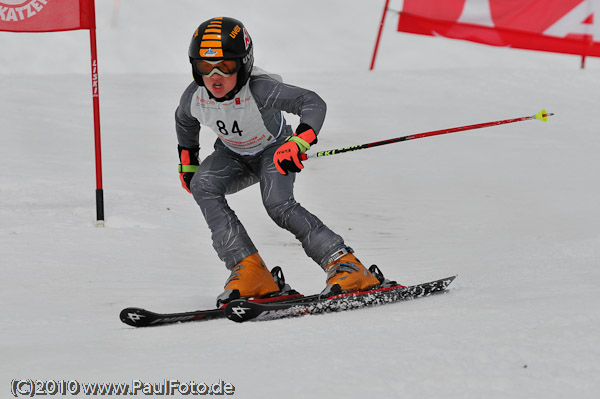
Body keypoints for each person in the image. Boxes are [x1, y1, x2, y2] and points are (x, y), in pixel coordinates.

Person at [175, 17, 380, 305]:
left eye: (226, 66)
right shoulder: (194, 98)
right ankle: (249, 271)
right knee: (203, 185)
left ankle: (346, 264)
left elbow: (311, 102)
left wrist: (299, 141)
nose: (215, 76)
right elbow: (184, 122)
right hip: (232, 156)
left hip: (273, 151)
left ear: (244, 64)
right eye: (204, 67)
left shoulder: (259, 90)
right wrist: (188, 161)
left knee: (278, 204)